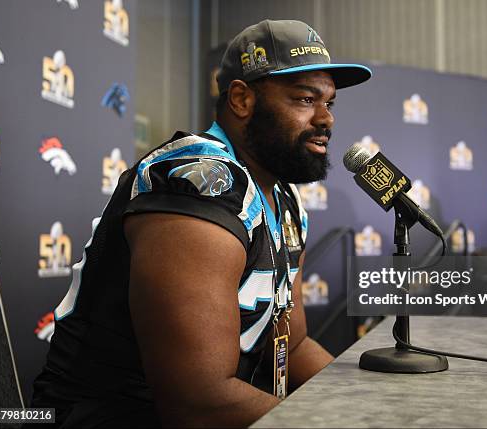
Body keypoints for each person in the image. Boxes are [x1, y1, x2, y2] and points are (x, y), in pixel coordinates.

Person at [30, 19, 371, 428]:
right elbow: (198, 401)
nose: (326, 119)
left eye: (329, 103)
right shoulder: (197, 184)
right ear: (242, 100)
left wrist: (361, 405)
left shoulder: (284, 198)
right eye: (304, 99)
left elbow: (292, 345)